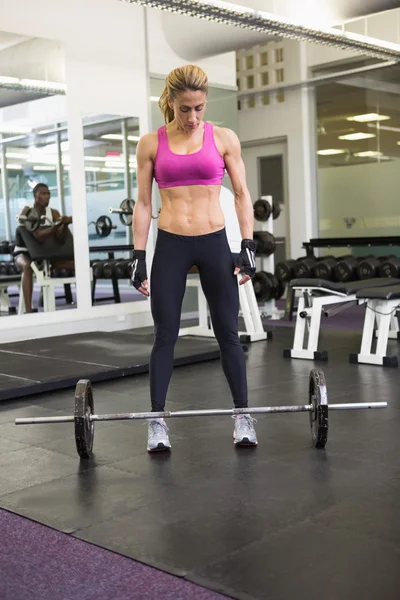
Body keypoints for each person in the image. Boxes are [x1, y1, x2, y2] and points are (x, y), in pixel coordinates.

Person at [131, 64, 257, 452]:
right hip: (171, 242)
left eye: (199, 108)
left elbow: (240, 194)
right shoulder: (151, 143)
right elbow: (143, 202)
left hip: (214, 240)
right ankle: (157, 422)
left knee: (228, 334)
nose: (192, 117)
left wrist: (248, 243)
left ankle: (242, 417)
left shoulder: (222, 138)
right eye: (185, 108)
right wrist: (137, 253)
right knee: (165, 335)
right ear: (170, 103)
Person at [13, 183, 73, 313]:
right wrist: (57, 226)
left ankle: (84, 304)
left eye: (48, 194)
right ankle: (29, 310)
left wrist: (65, 224)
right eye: (43, 194)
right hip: (23, 253)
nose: (47, 196)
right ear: (35, 196)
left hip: (44, 253)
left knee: (75, 264)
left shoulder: (54, 213)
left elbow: (62, 238)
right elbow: (38, 236)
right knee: (27, 266)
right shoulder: (27, 211)